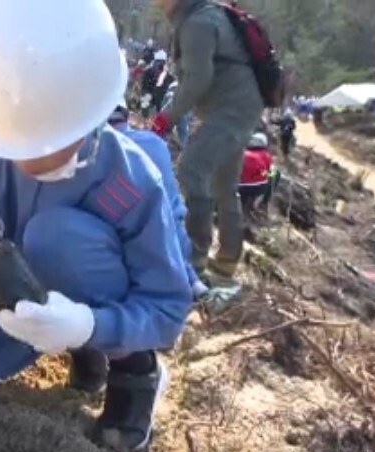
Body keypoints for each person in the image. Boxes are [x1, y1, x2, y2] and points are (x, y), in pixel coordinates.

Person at [0, 0, 192, 452]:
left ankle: (133, 368)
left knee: (55, 236)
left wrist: (87, 325)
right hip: (31, 288)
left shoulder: (132, 180)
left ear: (90, 117)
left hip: (89, 284)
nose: (22, 160)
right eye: (11, 140)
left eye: (44, 143)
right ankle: (73, 341)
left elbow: (166, 309)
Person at [150, 0, 264, 289]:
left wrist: (164, 119)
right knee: (224, 187)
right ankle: (226, 263)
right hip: (237, 107)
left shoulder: (199, 22)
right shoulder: (198, 17)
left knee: (191, 168)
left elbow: (198, 80)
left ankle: (195, 261)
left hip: (232, 109)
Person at [108, 102, 208, 299]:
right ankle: (191, 278)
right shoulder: (154, 143)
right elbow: (172, 204)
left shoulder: (95, 154)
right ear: (126, 116)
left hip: (127, 261)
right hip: (175, 245)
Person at [239, 133, 280, 218]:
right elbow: (266, 172)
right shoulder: (266, 155)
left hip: (239, 187)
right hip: (259, 187)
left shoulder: (241, 153)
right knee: (275, 173)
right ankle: (264, 202)